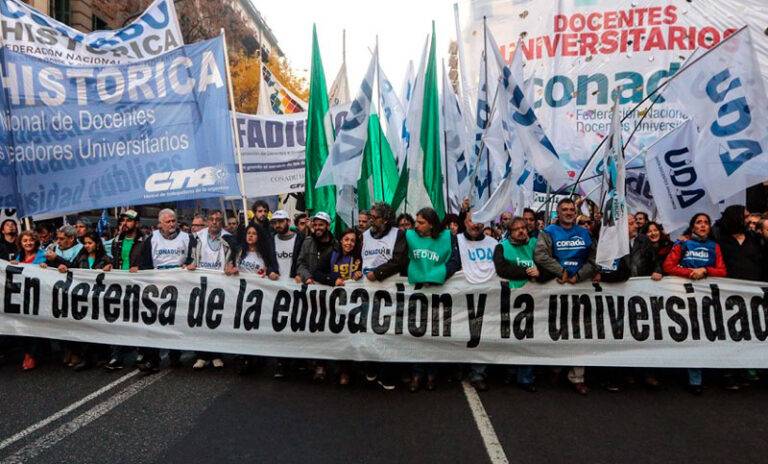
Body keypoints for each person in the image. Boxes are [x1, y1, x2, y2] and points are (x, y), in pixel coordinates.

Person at [534, 198, 596, 395]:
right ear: (558, 213)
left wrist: (578, 275)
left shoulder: (585, 233)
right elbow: (541, 255)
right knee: (556, 331)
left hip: (580, 288)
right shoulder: (548, 232)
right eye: (565, 209)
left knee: (580, 333)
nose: (569, 212)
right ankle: (555, 368)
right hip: (556, 287)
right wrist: (561, 272)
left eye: (572, 209)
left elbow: (595, 260)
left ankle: (577, 376)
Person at [663, 212, 727, 395]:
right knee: (689, 334)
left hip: (707, 299)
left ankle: (700, 373)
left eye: (706, 222)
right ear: (692, 227)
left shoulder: (714, 247)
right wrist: (691, 272)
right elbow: (668, 266)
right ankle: (693, 377)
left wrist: (705, 271)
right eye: (699, 222)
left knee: (702, 333)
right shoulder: (682, 244)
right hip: (683, 297)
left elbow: (722, 270)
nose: (703, 225)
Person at [405, 207, 460, 392]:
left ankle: (431, 374)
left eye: (421, 222)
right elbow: (403, 260)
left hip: (439, 291)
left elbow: (455, 261)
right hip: (418, 293)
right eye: (416, 221)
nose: (416, 226)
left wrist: (438, 274)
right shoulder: (410, 237)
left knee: (434, 332)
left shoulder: (448, 237)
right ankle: (417, 373)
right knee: (417, 332)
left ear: (432, 224)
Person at [132, 209, 194, 373]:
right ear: (160, 224)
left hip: (180, 287)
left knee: (175, 321)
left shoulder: (187, 238)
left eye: (174, 221)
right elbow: (145, 263)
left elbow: (193, 259)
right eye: (168, 222)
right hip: (157, 288)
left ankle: (175, 356)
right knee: (155, 324)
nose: (172, 224)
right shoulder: (152, 239)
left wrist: (188, 265)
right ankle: (152, 359)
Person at [188, 210, 240, 370]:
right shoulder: (198, 237)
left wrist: (232, 266)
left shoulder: (229, 238)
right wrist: (190, 264)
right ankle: (201, 355)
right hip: (201, 284)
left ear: (221, 223)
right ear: (207, 222)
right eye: (212, 219)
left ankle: (217, 354)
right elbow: (191, 257)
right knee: (200, 319)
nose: (215, 222)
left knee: (217, 319)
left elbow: (236, 256)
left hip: (220, 285)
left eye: (218, 219)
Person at [55, 230, 113, 371]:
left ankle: (103, 356)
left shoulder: (106, 259)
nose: (87, 246)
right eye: (85, 243)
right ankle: (87, 358)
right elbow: (71, 269)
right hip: (83, 299)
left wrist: (110, 269)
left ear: (97, 244)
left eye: (90, 243)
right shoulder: (81, 258)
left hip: (99, 299)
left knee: (100, 328)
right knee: (85, 327)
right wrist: (64, 268)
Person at [493, 217, 539, 392]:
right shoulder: (502, 247)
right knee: (511, 337)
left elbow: (544, 265)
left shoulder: (535, 244)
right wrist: (528, 273)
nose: (521, 231)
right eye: (516, 229)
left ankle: (525, 378)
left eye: (524, 228)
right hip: (510, 299)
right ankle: (510, 371)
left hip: (535, 300)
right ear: (509, 232)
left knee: (528, 339)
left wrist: (539, 273)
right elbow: (502, 269)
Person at [312, 229, 363, 385]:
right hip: (331, 303)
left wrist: (359, 274)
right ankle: (321, 366)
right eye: (346, 239)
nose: (349, 243)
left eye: (352, 241)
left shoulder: (359, 257)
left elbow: (367, 273)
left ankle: (344, 370)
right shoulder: (331, 254)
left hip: (351, 304)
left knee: (347, 336)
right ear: (341, 241)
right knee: (326, 333)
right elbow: (317, 273)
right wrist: (333, 280)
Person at [229, 223, 280, 375]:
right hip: (240, 296)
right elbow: (229, 266)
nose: (250, 236)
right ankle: (244, 358)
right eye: (248, 233)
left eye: (254, 233)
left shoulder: (264, 254)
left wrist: (271, 272)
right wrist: (230, 269)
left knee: (255, 327)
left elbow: (273, 268)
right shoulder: (238, 252)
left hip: (258, 298)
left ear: (259, 237)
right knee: (242, 328)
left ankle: (257, 357)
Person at [457, 213, 499, 392]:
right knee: (460, 333)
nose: (475, 225)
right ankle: (458, 367)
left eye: (480, 220)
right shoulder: (456, 240)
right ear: (465, 222)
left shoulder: (493, 243)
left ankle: (478, 373)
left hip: (486, 298)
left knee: (481, 335)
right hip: (460, 297)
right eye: (471, 220)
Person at [105, 209, 146, 371]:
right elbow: (113, 259)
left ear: (136, 223)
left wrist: (140, 268)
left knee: (138, 319)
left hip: (137, 284)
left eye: (129, 221)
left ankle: (141, 353)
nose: (125, 224)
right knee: (117, 319)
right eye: (123, 221)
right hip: (119, 284)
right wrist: (108, 264)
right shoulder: (117, 240)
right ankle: (117, 356)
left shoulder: (145, 240)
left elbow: (150, 262)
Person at [11, 230, 47, 370]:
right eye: (25, 240)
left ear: (36, 241)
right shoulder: (18, 257)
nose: (28, 243)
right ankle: (28, 353)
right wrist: (12, 265)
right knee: (23, 327)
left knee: (36, 326)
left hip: (39, 298)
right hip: (22, 298)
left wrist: (46, 267)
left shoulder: (43, 256)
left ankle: (31, 355)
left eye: (31, 240)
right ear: (20, 243)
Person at [295, 212, 338, 285]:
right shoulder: (308, 242)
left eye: (321, 225)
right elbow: (300, 263)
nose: (317, 227)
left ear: (328, 226)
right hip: (310, 287)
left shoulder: (336, 245)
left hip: (329, 287)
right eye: (315, 225)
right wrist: (307, 277)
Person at [270, 210, 303, 281]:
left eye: (280, 221)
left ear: (288, 222)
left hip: (294, 284)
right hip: (275, 285)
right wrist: (271, 272)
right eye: (274, 222)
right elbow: (269, 262)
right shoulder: (271, 240)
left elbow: (304, 262)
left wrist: (300, 274)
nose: (277, 225)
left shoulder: (300, 239)